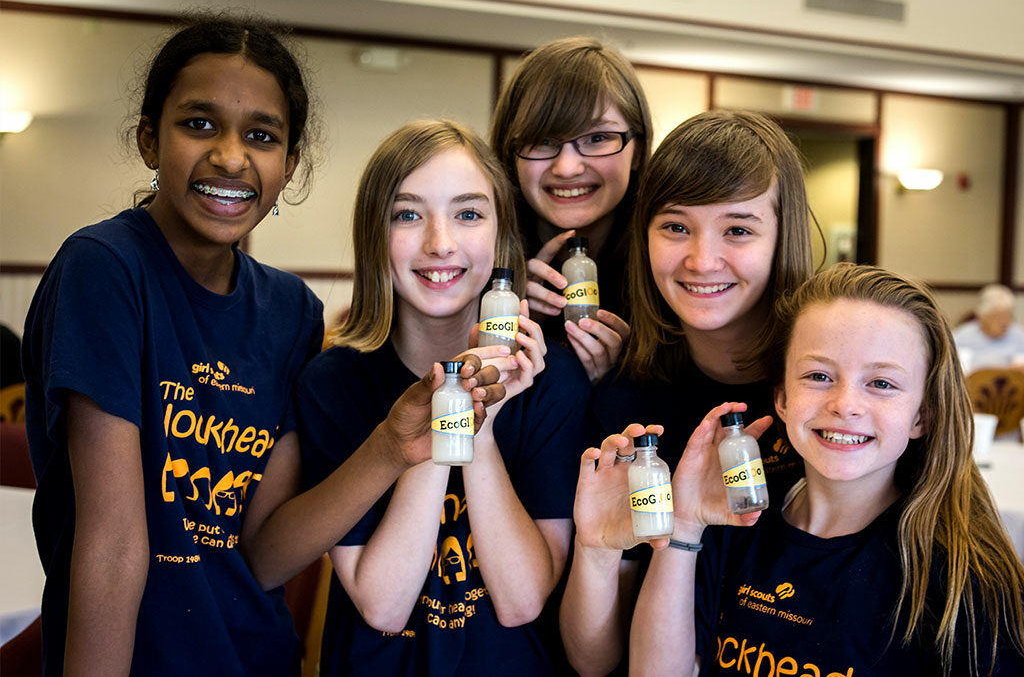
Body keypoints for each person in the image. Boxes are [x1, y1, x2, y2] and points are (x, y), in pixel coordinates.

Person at [22, 20, 504, 677]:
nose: (229, 155)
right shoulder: (105, 269)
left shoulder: (292, 311)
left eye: (261, 136)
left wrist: (391, 448)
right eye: (198, 123)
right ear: (147, 139)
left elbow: (265, 554)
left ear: (290, 164)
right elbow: (110, 547)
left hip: (255, 656)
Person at [296, 120, 590, 676]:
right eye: (407, 214)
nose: (440, 242)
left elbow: (522, 600)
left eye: (469, 213)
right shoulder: (332, 384)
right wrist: (455, 398)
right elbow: (383, 603)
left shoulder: (553, 379)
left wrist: (484, 420)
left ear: (502, 238)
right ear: (373, 235)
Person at [629, 262, 1024, 675]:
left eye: (881, 384)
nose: (845, 404)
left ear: (921, 415)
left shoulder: (963, 575)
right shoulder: (732, 520)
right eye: (819, 375)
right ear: (781, 398)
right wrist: (687, 526)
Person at [560, 110, 813, 675]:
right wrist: (596, 553)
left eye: (739, 230)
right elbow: (594, 661)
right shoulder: (626, 406)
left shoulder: (822, 396)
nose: (701, 260)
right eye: (675, 227)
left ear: (782, 237)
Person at [490, 36, 653, 382]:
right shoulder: (474, 265)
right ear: (509, 154)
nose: (566, 167)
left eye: (597, 138)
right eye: (543, 141)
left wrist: (619, 380)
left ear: (637, 149)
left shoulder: (670, 275)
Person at [953, 283, 1024, 372]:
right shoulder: (960, 337)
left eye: (1008, 316)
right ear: (982, 316)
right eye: (999, 317)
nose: (1005, 322)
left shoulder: (1020, 336)